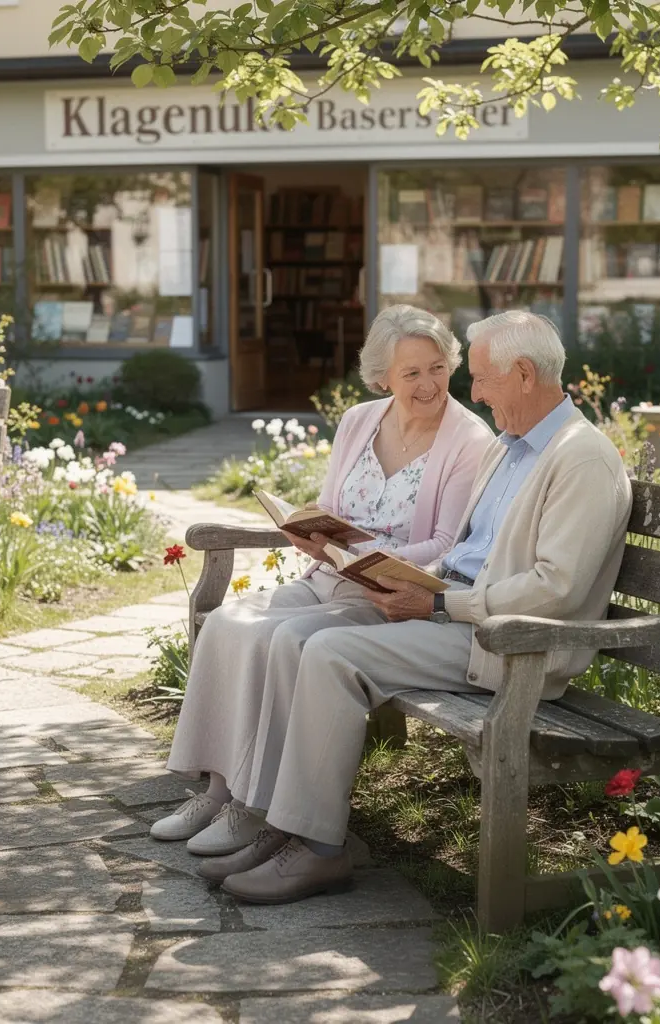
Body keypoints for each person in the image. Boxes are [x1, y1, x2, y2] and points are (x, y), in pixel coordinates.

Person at [212, 309, 633, 905]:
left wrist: (441, 605)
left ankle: (317, 851)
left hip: (512, 643)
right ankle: (287, 828)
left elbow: (555, 588)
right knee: (307, 641)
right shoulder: (512, 447)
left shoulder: (580, 457)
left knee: (331, 653)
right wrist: (401, 577)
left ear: (522, 373)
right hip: (459, 613)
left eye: (482, 378)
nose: (474, 392)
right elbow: (465, 551)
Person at [150, 304, 494, 869]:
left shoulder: (467, 439)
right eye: (411, 374)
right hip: (327, 576)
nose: (429, 384)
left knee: (284, 642)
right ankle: (216, 792)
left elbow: (444, 544)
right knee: (229, 625)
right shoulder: (361, 420)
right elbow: (330, 507)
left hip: (383, 595)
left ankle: (254, 807)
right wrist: (316, 535)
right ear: (383, 376)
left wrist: (359, 557)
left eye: (438, 367)